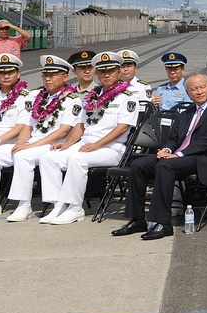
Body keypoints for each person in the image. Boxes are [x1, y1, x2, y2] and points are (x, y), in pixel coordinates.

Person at [112, 73, 207, 241]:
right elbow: (175, 137)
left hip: (202, 158)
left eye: (202, 87)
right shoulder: (186, 113)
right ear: (188, 93)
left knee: (165, 166)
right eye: (193, 89)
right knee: (139, 164)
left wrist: (178, 154)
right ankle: (137, 219)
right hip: (179, 156)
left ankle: (163, 223)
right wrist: (167, 149)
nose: (199, 92)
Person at [40, 52, 140, 225]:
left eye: (111, 71)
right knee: (49, 157)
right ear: (97, 73)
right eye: (102, 71)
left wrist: (97, 144)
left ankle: (75, 207)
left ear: (118, 72)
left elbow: (122, 127)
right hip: (87, 145)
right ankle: (58, 204)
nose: (106, 75)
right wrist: (68, 143)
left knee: (77, 159)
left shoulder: (128, 97)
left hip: (112, 148)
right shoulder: (92, 96)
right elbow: (81, 125)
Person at [3, 56, 79, 222]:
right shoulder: (37, 96)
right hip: (34, 143)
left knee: (27, 156)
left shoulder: (72, 99)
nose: (48, 79)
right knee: (19, 153)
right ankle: (23, 204)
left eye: (53, 75)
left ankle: (54, 204)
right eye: (45, 75)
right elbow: (28, 126)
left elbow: (63, 131)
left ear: (65, 77)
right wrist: (21, 143)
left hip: (53, 144)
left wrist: (30, 146)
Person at [0, 55, 31, 217]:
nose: (6, 76)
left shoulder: (25, 96)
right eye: (1, 72)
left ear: (18, 74)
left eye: (10, 72)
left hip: (11, 143)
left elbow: (21, 126)